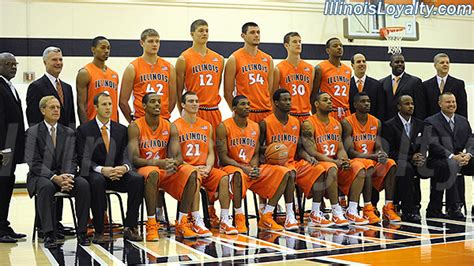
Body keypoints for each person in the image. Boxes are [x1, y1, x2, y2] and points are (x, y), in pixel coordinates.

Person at [216, 95, 293, 232]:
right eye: (242, 104)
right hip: (232, 167)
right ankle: (239, 217)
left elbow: (256, 153)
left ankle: (267, 215)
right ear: (234, 108)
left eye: (248, 104)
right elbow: (223, 157)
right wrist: (244, 169)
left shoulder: (255, 126)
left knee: (284, 172)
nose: (247, 107)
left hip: (250, 168)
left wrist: (255, 167)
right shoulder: (224, 126)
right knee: (237, 174)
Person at [128, 92, 199, 240]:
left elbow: (179, 156)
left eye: (159, 102)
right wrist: (157, 162)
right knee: (153, 173)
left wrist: (174, 163)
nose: (157, 105)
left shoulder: (169, 126)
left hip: (164, 169)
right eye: (153, 102)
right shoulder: (135, 126)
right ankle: (152, 223)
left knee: (191, 172)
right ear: (144, 106)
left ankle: (182, 222)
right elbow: (134, 159)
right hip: (146, 168)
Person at [76, 92, 144, 243]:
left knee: (137, 179)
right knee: (97, 181)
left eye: (110, 104)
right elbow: (84, 159)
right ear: (95, 107)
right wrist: (102, 169)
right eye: (104, 104)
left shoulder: (121, 129)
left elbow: (127, 155)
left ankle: (130, 226)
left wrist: (125, 167)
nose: (108, 108)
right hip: (96, 173)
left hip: (117, 173)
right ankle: (99, 230)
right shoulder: (83, 130)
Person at [25, 96, 91, 248]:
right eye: (52, 107)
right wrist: (54, 177)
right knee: (46, 186)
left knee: (83, 185)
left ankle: (82, 232)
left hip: (65, 175)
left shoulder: (68, 132)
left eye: (58, 107)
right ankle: (48, 234)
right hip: (42, 176)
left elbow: (73, 159)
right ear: (43, 110)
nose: (56, 110)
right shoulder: (32, 132)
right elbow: (34, 163)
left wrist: (68, 176)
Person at [169, 91, 237, 236]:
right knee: (194, 176)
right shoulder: (175, 126)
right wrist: (193, 168)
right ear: (182, 105)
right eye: (191, 101)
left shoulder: (207, 125)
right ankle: (196, 220)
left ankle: (225, 219)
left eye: (196, 101)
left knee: (224, 177)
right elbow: (176, 155)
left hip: (204, 167)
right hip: (186, 168)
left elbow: (211, 151)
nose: (195, 104)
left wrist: (208, 167)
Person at [261, 89, 329, 229]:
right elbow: (258, 149)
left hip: (292, 163)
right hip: (274, 165)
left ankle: (315, 213)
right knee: (289, 172)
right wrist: (272, 149)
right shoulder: (265, 123)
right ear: (276, 103)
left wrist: (309, 157)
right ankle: (290, 215)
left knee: (319, 169)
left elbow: (299, 149)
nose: (288, 102)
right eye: (284, 100)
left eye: (289, 100)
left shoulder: (296, 122)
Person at [301, 92, 368, 225]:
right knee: (331, 168)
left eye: (330, 100)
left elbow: (340, 147)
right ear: (316, 104)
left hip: (333, 162)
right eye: (325, 100)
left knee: (359, 167)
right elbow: (312, 152)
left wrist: (344, 160)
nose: (330, 102)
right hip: (318, 164)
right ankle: (335, 212)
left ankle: (352, 210)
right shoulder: (308, 124)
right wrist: (334, 162)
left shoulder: (336, 123)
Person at [341, 92, 400, 224]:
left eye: (368, 101)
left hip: (370, 159)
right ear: (355, 105)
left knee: (391, 163)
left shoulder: (376, 122)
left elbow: (378, 145)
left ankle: (388, 207)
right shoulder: (347, 122)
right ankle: (368, 208)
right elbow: (350, 152)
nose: (367, 104)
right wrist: (372, 156)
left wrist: (381, 153)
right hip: (356, 162)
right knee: (366, 164)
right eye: (363, 101)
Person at [425, 92, 474, 220]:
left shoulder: (463, 121)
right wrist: (452, 156)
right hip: (437, 160)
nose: (451, 104)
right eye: (448, 102)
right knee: (451, 165)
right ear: (440, 104)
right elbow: (433, 144)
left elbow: (471, 139)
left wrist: (468, 154)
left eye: (453, 102)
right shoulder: (430, 121)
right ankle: (454, 207)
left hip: (461, 158)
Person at [383, 95, 427, 222]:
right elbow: (389, 151)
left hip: (417, 160)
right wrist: (410, 157)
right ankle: (408, 209)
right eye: (407, 104)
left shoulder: (421, 124)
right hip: (400, 161)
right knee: (406, 169)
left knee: (440, 165)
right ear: (399, 106)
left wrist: (421, 156)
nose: (411, 106)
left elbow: (424, 144)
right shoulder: (389, 125)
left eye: (412, 103)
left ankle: (435, 207)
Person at [176, 19, 224, 128]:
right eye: (201, 30)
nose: (205, 33)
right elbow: (178, 92)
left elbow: (217, 87)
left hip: (213, 110)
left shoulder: (219, 58)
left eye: (207, 31)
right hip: (194, 110)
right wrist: (183, 112)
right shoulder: (183, 58)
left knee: (215, 144)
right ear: (192, 34)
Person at [120, 28, 177, 122]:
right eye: (150, 41)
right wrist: (132, 121)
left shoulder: (169, 67)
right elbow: (123, 101)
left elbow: (173, 99)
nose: (154, 44)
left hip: (163, 120)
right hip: (141, 119)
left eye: (157, 41)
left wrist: (162, 116)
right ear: (142, 43)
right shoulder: (132, 67)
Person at [224, 22, 274, 123]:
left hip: (267, 112)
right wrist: (237, 112)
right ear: (243, 36)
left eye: (258, 32)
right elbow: (227, 93)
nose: (256, 35)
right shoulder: (234, 58)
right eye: (252, 32)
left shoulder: (268, 59)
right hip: (246, 112)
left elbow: (270, 90)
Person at [0, 52, 26, 243]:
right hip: (4, 149)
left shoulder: (9, 86)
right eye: (9, 64)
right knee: (2, 186)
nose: (14, 67)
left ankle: (4, 224)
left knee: (7, 184)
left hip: (12, 147)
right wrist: (4, 148)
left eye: (15, 64)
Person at [27, 47, 76, 128]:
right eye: (54, 60)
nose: (58, 63)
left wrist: (72, 137)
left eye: (60, 59)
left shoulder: (67, 88)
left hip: (66, 137)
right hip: (45, 138)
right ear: (45, 62)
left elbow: (71, 118)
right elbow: (33, 118)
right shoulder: (36, 87)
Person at [76, 36, 120, 124]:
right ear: (93, 49)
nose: (106, 51)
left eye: (108, 48)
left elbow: (115, 105)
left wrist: (117, 124)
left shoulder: (114, 74)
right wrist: (85, 128)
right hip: (93, 124)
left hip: (112, 124)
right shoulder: (85, 72)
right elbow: (81, 105)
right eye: (103, 48)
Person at [273, 32, 314, 123]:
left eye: (300, 41)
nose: (298, 44)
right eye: (295, 42)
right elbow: (274, 95)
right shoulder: (278, 68)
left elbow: (310, 93)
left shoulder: (310, 68)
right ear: (286, 45)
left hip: (306, 115)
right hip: (288, 115)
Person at [310, 37, 351, 122]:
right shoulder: (320, 68)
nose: (339, 48)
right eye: (335, 46)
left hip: (346, 111)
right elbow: (313, 95)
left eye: (341, 46)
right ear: (328, 50)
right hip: (329, 111)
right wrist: (315, 114)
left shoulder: (348, 70)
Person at [380, 53, 426, 121]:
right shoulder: (382, 83)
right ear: (390, 64)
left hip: (408, 124)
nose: (400, 64)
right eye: (397, 62)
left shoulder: (415, 82)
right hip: (388, 125)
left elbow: (420, 108)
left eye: (402, 62)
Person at [423, 53, 467, 118]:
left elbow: (462, 108)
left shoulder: (458, 84)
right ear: (435, 65)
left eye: (447, 63)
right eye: (442, 62)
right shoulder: (426, 85)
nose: (445, 64)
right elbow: (424, 108)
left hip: (452, 124)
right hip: (432, 124)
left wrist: (462, 125)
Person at [349, 53, 385, 120]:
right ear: (352, 65)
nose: (362, 64)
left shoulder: (377, 85)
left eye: (364, 61)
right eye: (358, 62)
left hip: (372, 126)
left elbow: (381, 110)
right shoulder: (347, 85)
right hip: (352, 125)